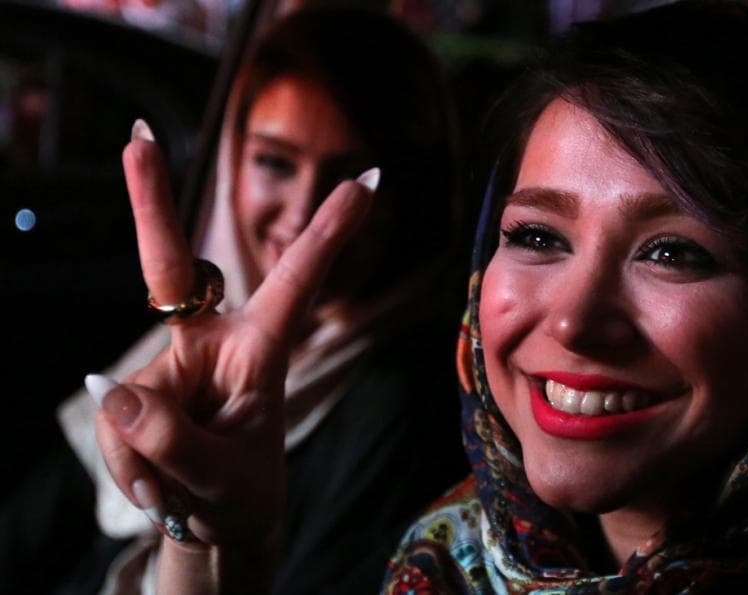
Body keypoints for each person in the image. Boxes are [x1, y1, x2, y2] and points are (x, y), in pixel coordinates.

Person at [90, 2, 748, 593]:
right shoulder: (453, 555)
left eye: (673, 251)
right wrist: (221, 546)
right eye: (538, 236)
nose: (576, 321)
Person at [1, 7, 466, 594]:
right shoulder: (192, 330)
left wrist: (217, 544)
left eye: (349, 181)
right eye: (275, 162)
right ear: (230, 163)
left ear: (409, 193)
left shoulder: (403, 400)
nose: (301, 215)